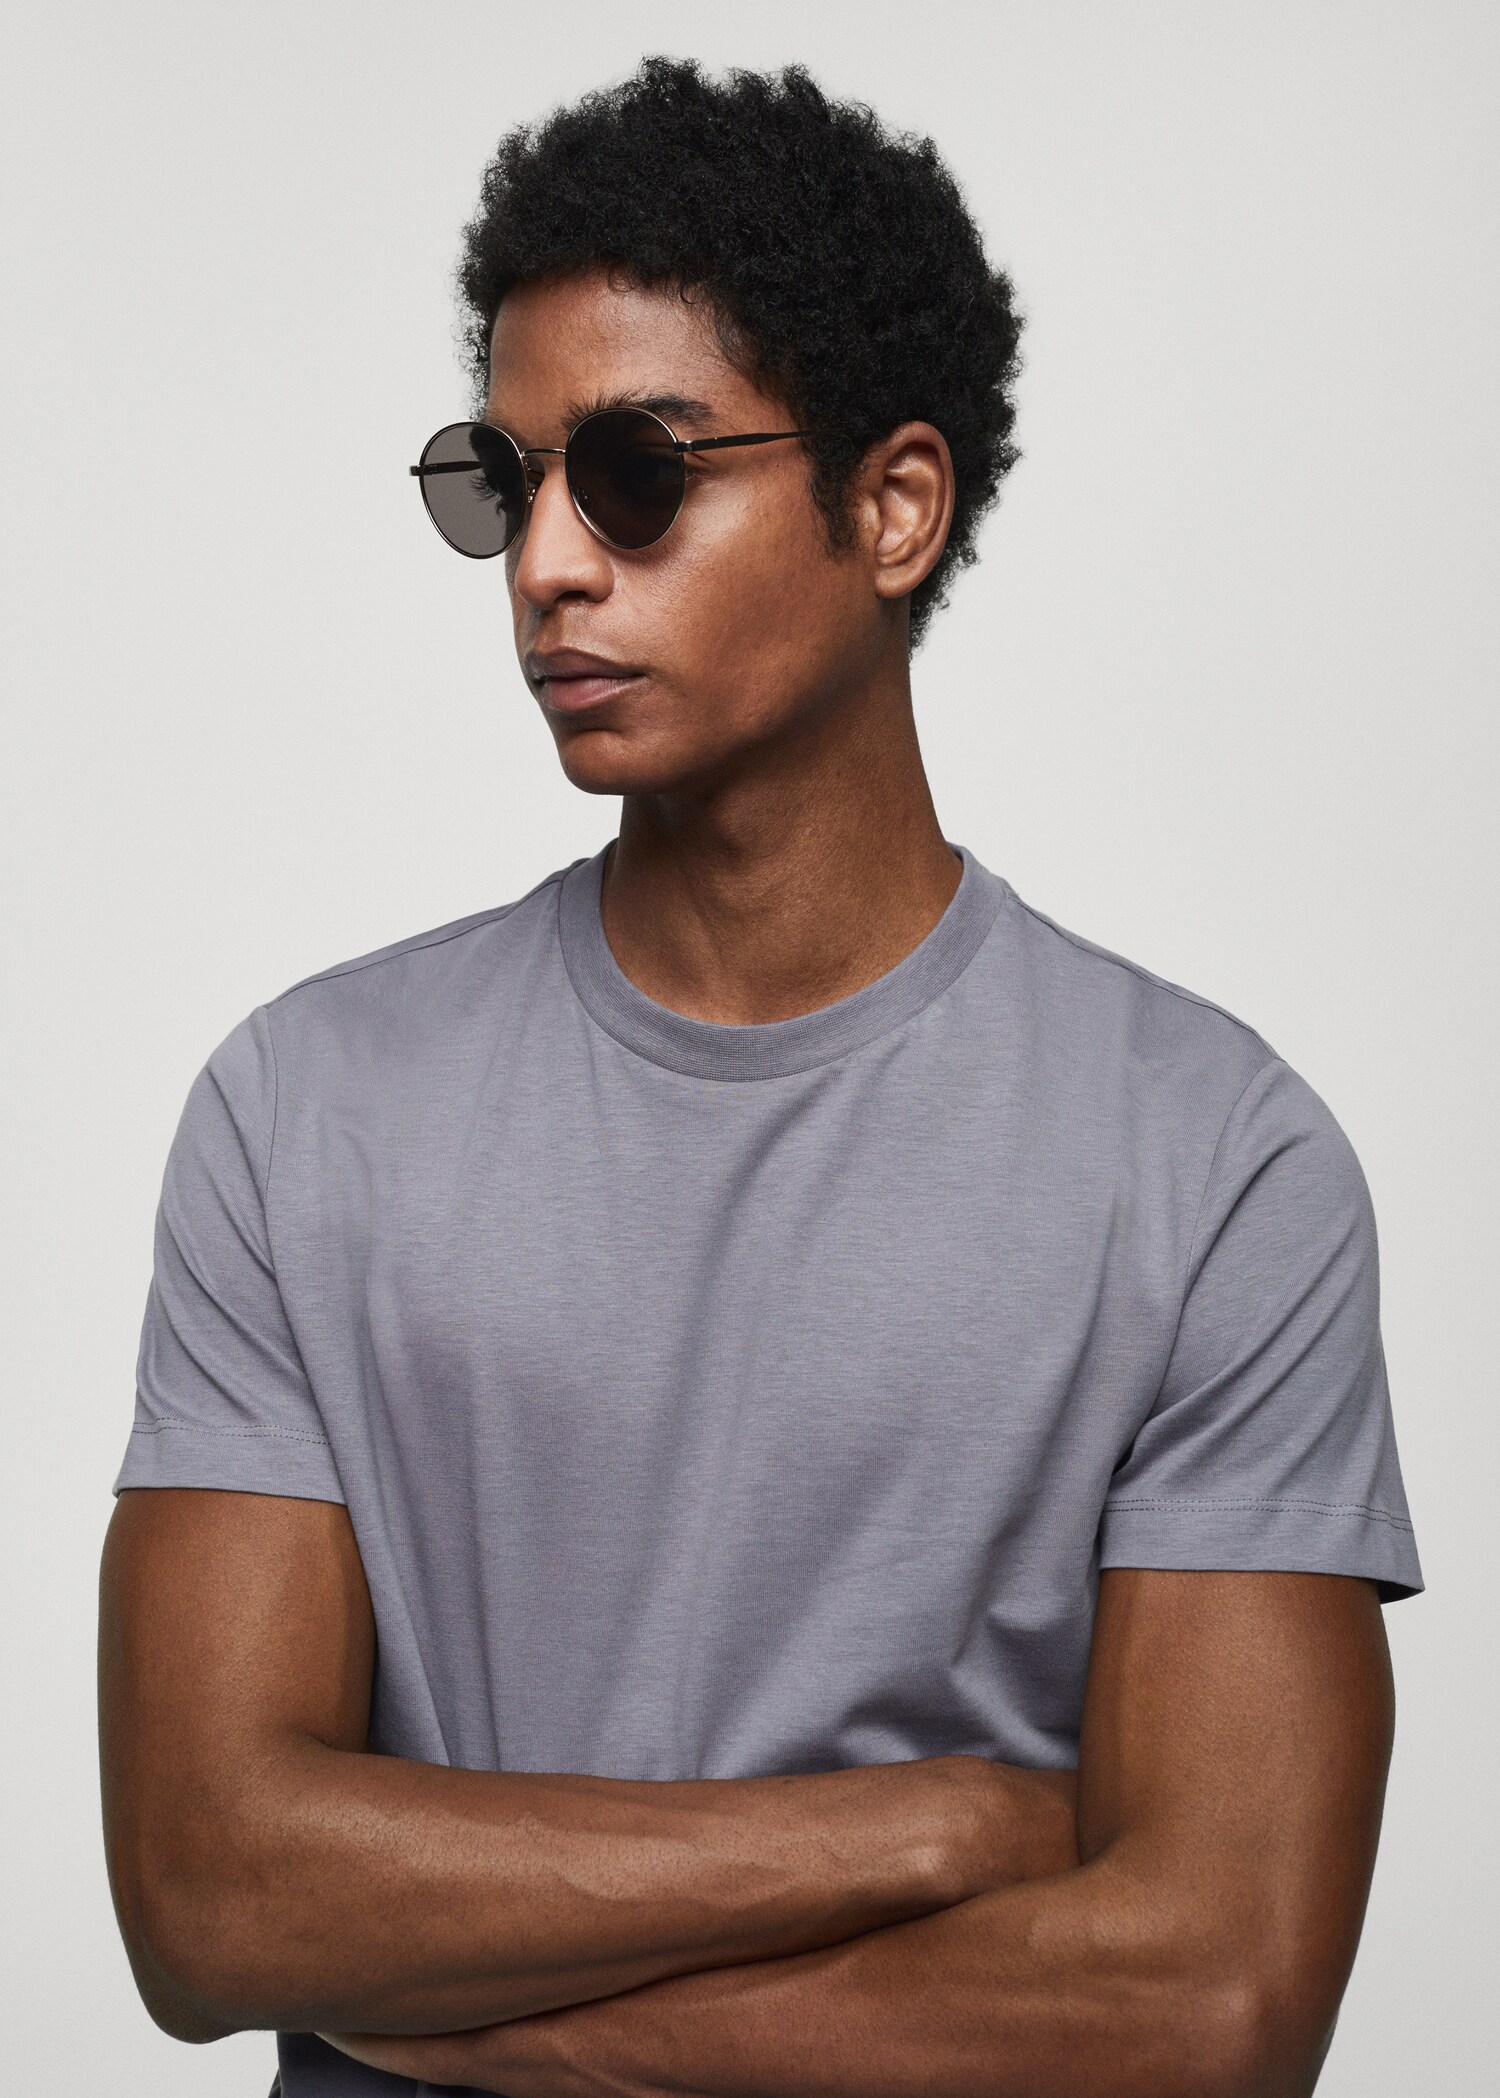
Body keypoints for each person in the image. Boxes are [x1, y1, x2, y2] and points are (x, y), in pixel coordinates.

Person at [98, 56, 1421, 2098]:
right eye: (503, 480)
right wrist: (925, 1827)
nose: (547, 562)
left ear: (893, 508)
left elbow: (1205, 2007)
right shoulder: (305, 1112)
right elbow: (208, 1888)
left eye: (634, 472)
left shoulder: (1214, 1163)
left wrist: (456, 2005)